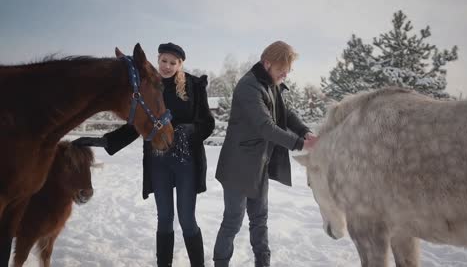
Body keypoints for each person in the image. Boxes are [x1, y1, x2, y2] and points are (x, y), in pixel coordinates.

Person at [73, 42, 215, 267]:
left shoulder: (193, 85)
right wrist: (104, 141)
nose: (167, 66)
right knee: (165, 219)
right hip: (158, 162)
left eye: (173, 62)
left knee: (187, 220)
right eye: (164, 61)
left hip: (186, 160)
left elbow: (207, 122)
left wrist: (191, 131)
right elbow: (136, 124)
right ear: (158, 61)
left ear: (180, 64)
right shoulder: (148, 85)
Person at [213, 41, 317, 267]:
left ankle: (263, 263)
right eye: (282, 71)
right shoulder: (248, 86)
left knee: (260, 221)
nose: (285, 76)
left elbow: (285, 113)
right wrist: (301, 145)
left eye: (288, 72)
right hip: (237, 168)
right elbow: (266, 127)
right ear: (267, 63)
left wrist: (305, 132)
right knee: (232, 222)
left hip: (258, 165)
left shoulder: (270, 83)